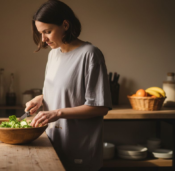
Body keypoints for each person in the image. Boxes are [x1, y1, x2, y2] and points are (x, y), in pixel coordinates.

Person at [25, 0, 112, 171]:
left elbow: (100, 107)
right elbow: (68, 90)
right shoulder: (53, 55)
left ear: (65, 25)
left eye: (47, 32)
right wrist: (41, 98)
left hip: (79, 148)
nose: (43, 39)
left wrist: (57, 113)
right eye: (40, 33)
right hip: (53, 143)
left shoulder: (90, 54)